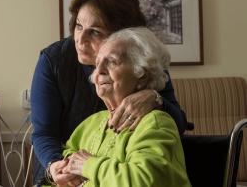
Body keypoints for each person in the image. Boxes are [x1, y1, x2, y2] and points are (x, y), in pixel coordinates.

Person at [30, 0, 187, 186]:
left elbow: (176, 124)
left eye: (95, 31)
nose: (80, 39)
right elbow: (45, 134)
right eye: (78, 26)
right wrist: (58, 166)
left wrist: (155, 98)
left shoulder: (146, 62)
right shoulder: (54, 61)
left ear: (124, 35)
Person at [58, 27, 191, 187]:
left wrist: (88, 166)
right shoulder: (90, 124)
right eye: (97, 63)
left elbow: (143, 181)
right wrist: (64, 173)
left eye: (112, 62)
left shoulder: (155, 123)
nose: (99, 71)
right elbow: (67, 156)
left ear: (141, 75)